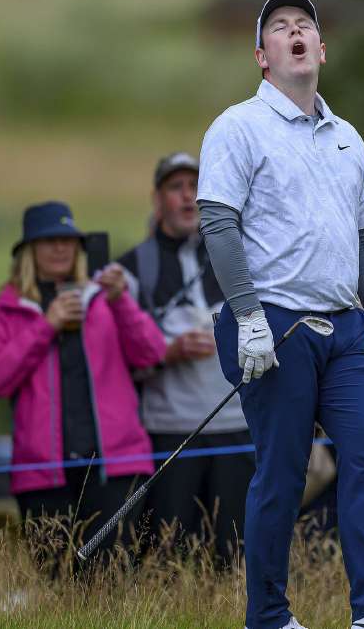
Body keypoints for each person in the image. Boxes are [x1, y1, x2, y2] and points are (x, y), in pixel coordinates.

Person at [195, 0, 364, 629]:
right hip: (273, 323)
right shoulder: (237, 126)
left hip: (348, 327)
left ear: (321, 49)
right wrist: (247, 316)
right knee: (283, 473)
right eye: (280, 28)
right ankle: (269, 616)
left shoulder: (348, 138)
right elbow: (218, 225)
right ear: (262, 55)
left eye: (305, 26)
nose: (295, 33)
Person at [0, 201, 165, 571]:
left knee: (111, 577)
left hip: (116, 465)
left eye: (69, 240)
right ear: (30, 251)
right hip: (42, 470)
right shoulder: (9, 308)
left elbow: (152, 354)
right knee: (57, 578)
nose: (61, 248)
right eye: (50, 241)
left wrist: (121, 301)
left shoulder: (104, 299)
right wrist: (46, 325)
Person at [116, 152, 253, 567]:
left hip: (237, 426)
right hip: (169, 431)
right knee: (169, 553)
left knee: (234, 549)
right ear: (157, 200)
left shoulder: (238, 255)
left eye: (195, 187)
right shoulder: (130, 269)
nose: (188, 197)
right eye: (176, 188)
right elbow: (119, 359)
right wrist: (167, 353)